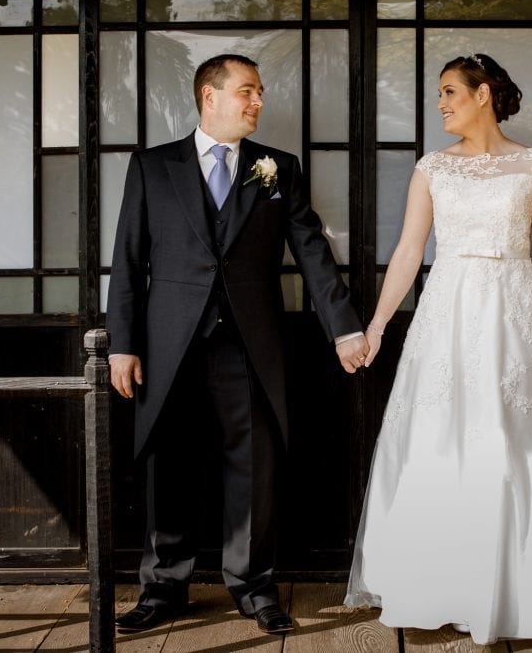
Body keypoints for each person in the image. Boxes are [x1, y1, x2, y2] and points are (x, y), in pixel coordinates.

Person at [344, 53, 532, 645]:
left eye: (451, 91)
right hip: (447, 313)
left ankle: (531, 595)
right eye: (440, 93)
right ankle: (441, 588)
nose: (442, 103)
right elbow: (407, 253)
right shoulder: (432, 168)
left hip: (516, 311)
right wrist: (376, 323)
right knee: (442, 436)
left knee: (523, 442)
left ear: (484, 95)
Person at [107, 53, 369, 635]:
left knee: (252, 466)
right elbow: (127, 260)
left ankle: (253, 589)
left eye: (260, 93)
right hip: (168, 342)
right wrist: (120, 343)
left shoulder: (277, 168)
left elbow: (311, 252)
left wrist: (344, 326)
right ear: (210, 96)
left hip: (250, 343)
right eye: (247, 92)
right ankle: (163, 589)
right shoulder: (153, 166)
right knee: (167, 463)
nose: (258, 103)